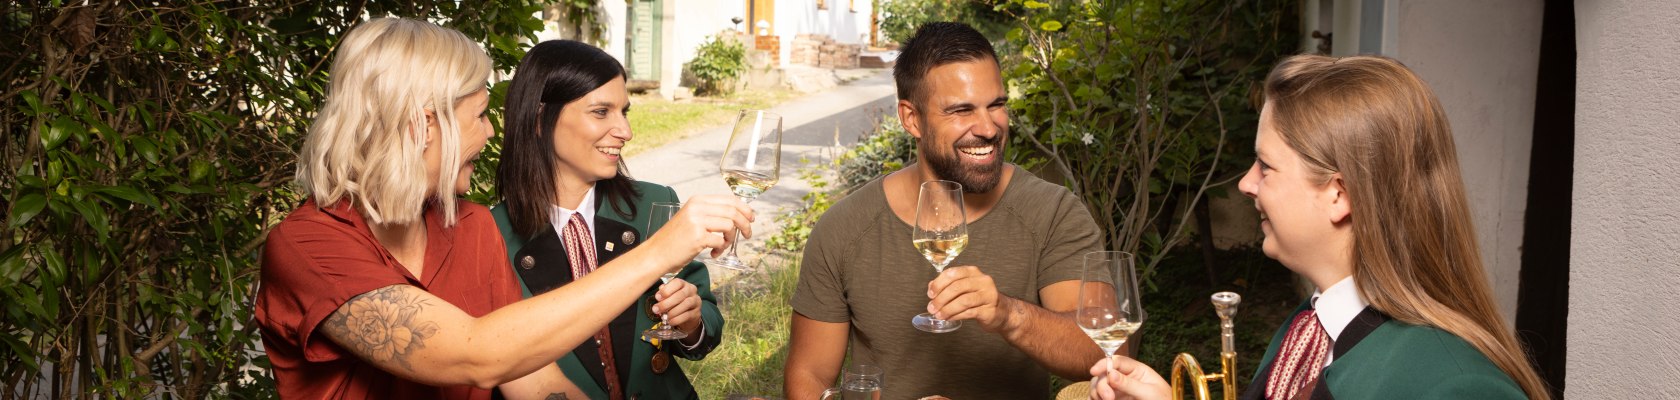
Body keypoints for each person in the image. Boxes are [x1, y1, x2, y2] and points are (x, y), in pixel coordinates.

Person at [255, 18, 752, 399]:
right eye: (479, 115)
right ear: (422, 125)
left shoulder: (470, 226)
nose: (493, 130)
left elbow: (536, 383)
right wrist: (660, 251)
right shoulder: (308, 246)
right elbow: (476, 355)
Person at [1086, 55, 1551, 400]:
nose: (1246, 183)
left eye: (1266, 166)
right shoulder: (1309, 327)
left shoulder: (1454, 386)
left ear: (1339, 195)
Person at [784, 22, 1110, 400]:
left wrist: (1008, 314)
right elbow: (810, 374)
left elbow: (1105, 351)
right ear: (912, 119)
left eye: (996, 105)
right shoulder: (845, 227)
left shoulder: (1053, 213)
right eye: (961, 110)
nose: (988, 128)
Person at [490, 39, 723, 400]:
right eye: (601, 112)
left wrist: (692, 322)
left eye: (624, 112)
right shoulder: (491, 237)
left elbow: (706, 319)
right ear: (539, 119)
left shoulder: (654, 204)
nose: (625, 131)